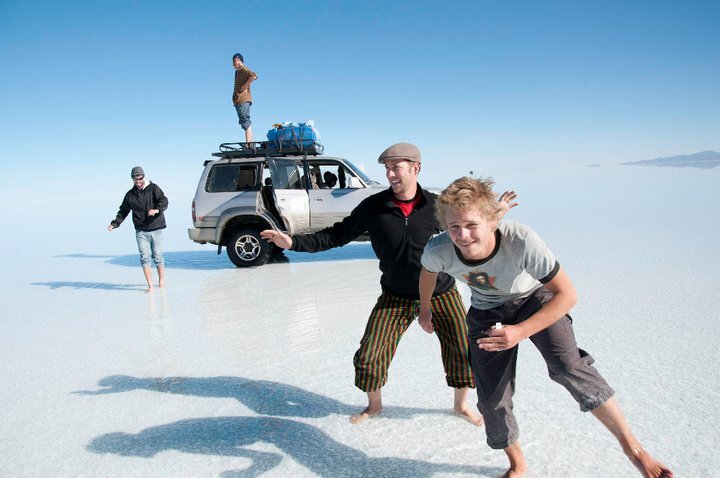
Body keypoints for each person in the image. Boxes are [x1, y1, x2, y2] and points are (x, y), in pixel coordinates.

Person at [418, 176, 673, 478]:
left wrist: (521, 331)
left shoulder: (522, 241)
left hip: (534, 299)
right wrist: (425, 308)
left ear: (491, 221)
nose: (462, 235)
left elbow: (568, 295)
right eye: (453, 227)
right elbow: (427, 273)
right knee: (491, 397)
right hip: (487, 312)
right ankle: (517, 463)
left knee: (568, 367)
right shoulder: (438, 249)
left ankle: (634, 449)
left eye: (472, 225)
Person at [261, 143, 517, 425]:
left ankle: (460, 406)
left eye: (396, 167)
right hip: (395, 295)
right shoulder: (374, 206)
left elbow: (470, 227)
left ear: (415, 168)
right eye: (387, 168)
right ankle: (374, 407)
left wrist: (495, 215)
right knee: (370, 354)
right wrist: (293, 242)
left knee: (462, 351)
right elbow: (336, 235)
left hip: (441, 293)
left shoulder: (436, 207)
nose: (390, 174)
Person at [108, 166, 169, 293]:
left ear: (143, 177)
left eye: (140, 178)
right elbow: (123, 211)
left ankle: (161, 280)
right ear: (132, 179)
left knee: (157, 255)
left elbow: (164, 200)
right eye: (135, 179)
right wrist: (114, 224)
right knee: (144, 257)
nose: (138, 181)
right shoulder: (130, 195)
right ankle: (150, 286)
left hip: (155, 227)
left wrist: (157, 209)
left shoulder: (153, 188)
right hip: (141, 230)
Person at [232, 53, 257, 144]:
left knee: (246, 122)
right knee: (244, 122)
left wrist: (245, 85)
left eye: (238, 60)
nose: (236, 62)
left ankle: (248, 144)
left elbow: (254, 76)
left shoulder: (243, 68)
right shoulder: (237, 72)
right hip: (238, 100)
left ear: (241, 61)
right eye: (234, 61)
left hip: (244, 99)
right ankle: (250, 143)